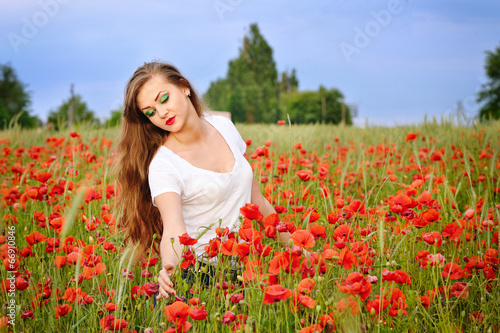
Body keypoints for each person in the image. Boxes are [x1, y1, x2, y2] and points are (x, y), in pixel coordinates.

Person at [116, 61, 290, 300]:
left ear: (184, 87)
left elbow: (256, 200)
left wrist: (293, 248)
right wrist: (169, 268)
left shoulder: (225, 127)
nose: (162, 112)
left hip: (246, 274)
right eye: (151, 112)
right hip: (198, 280)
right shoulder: (164, 165)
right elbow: (173, 230)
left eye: (163, 98)